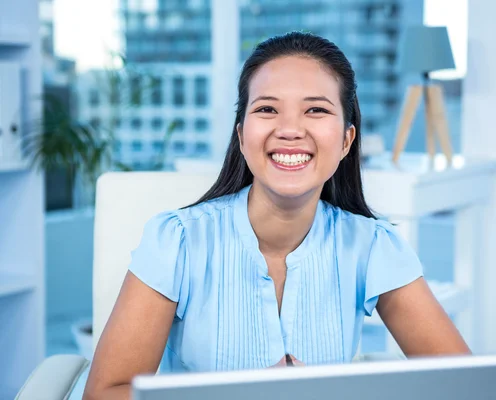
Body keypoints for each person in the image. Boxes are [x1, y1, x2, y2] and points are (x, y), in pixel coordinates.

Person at [83, 31, 470, 400]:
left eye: (316, 110)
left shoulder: (372, 246)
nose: (289, 130)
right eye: (267, 109)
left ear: (346, 140)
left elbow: (465, 386)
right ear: (241, 135)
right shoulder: (178, 241)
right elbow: (104, 393)